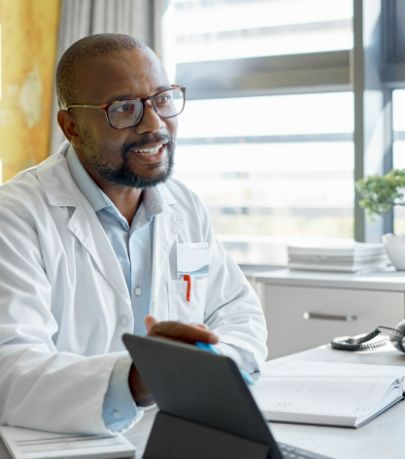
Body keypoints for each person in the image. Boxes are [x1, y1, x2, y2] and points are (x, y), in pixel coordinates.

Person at [0, 33, 267, 435]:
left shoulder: (185, 205)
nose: (154, 124)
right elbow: (10, 369)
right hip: (63, 442)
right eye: (124, 109)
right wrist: (135, 380)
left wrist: (202, 370)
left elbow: (238, 313)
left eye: (162, 98)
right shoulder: (16, 217)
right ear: (71, 126)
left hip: (177, 430)